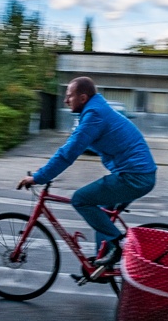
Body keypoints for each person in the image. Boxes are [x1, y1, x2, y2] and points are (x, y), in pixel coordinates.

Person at [18, 77, 156, 272]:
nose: (66, 100)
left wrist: (39, 177)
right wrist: (48, 170)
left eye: (69, 96)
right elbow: (74, 145)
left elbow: (68, 153)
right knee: (102, 212)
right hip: (138, 174)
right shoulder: (94, 111)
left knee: (81, 199)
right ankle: (102, 266)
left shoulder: (94, 115)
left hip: (134, 177)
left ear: (82, 98)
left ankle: (117, 246)